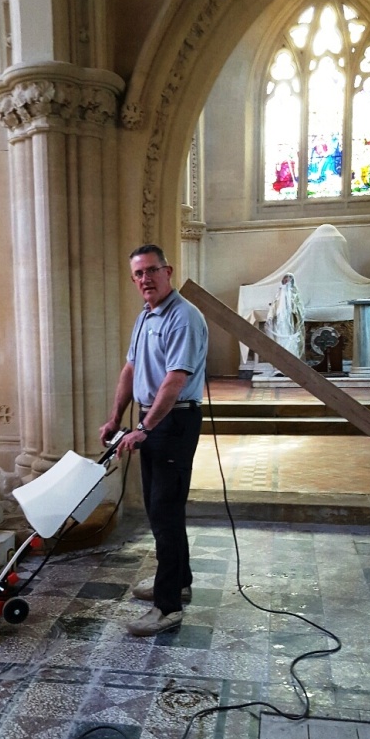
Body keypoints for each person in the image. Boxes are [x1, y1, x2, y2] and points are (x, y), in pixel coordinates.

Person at [100, 244, 208, 637]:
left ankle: (168, 608)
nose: (145, 279)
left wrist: (145, 427)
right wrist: (116, 418)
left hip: (174, 422)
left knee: (164, 512)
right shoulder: (146, 315)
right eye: (138, 274)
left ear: (169, 271)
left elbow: (175, 380)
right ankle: (178, 581)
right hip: (153, 420)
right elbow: (130, 368)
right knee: (161, 509)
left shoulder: (183, 318)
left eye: (151, 271)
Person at [264, 272, 306, 360]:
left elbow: (300, 309)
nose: (287, 281)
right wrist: (270, 317)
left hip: (291, 324)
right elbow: (274, 306)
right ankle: (280, 364)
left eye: (289, 279)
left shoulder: (295, 295)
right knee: (280, 341)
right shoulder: (278, 295)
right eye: (286, 279)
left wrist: (295, 311)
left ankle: (292, 362)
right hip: (280, 323)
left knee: (291, 342)